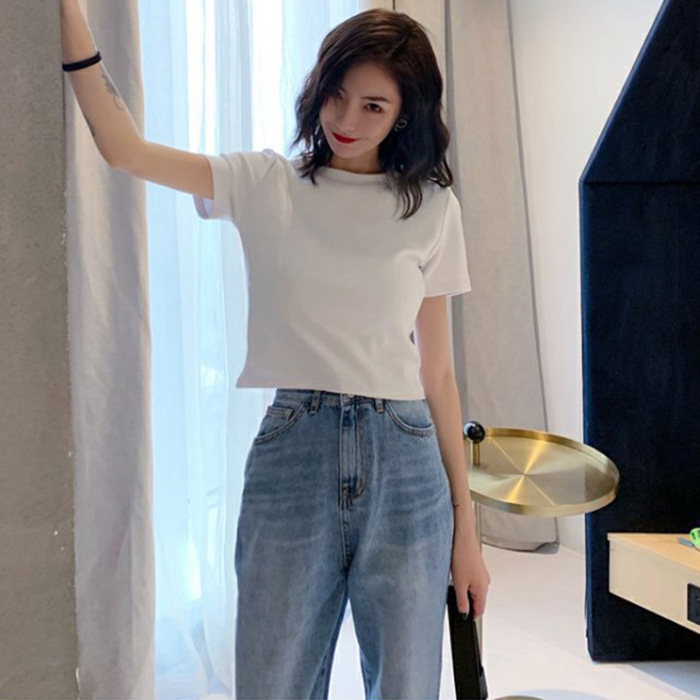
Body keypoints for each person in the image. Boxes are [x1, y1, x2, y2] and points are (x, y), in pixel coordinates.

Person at [61, 2, 490, 698]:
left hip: (407, 459)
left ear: (405, 116)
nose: (346, 119)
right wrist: (68, 17)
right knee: (272, 680)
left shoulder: (432, 208)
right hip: (296, 450)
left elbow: (436, 372)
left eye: (374, 106)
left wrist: (466, 529)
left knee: (408, 685)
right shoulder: (266, 183)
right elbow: (124, 149)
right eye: (336, 94)